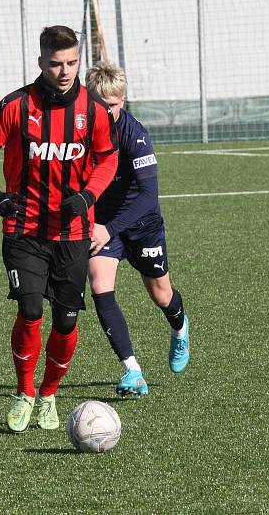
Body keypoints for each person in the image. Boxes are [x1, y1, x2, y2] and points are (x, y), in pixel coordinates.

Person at [0, 26, 119, 432]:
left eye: (72, 63)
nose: (65, 71)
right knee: (31, 308)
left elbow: (108, 159)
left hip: (73, 234)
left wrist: (88, 198)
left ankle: (50, 394)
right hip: (24, 229)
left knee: (67, 321)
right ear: (41, 62)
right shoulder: (17, 105)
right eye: (56, 63)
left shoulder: (93, 111)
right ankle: (25, 392)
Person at [84, 61, 189, 398]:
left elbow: (148, 197)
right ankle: (133, 371)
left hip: (141, 227)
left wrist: (108, 228)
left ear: (123, 101)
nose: (106, 111)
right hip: (103, 227)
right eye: (99, 105)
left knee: (161, 294)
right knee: (100, 286)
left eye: (112, 105)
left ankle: (179, 327)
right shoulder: (81, 133)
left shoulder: (135, 135)